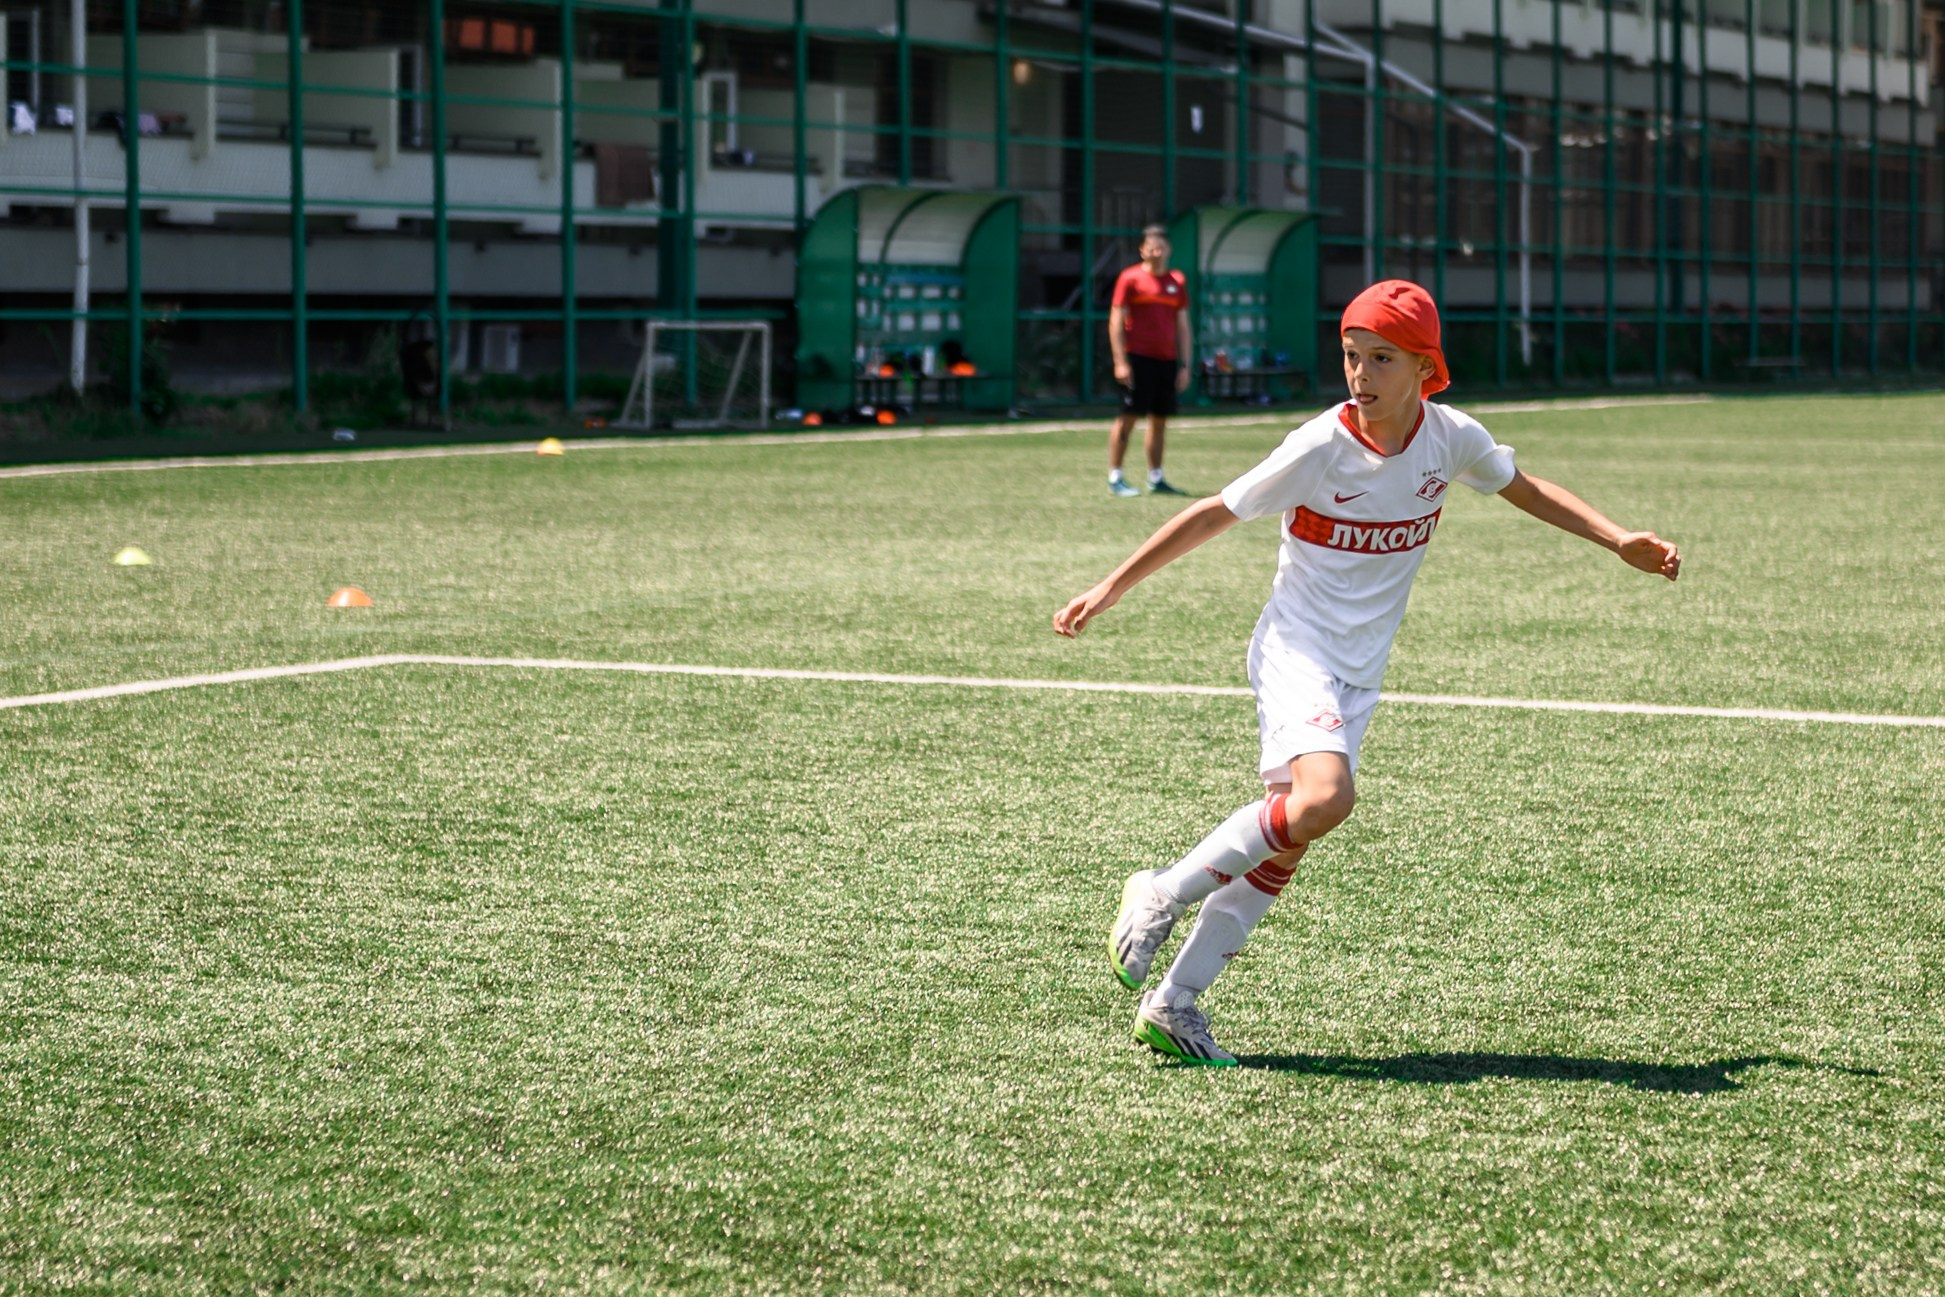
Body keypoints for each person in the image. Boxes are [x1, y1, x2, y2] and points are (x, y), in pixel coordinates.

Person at [1053, 279, 1681, 1066]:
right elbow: (1215, 510)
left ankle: (1175, 1003)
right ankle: (1161, 889)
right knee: (1326, 797)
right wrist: (1112, 585)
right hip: (1296, 650)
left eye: (1382, 358)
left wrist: (1617, 538)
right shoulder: (1320, 444)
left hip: (1358, 671)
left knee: (1293, 833)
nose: (1360, 373)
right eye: (1351, 355)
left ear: (1424, 367)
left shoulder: (1449, 438)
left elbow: (1524, 489)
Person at [1106, 225, 1194, 498]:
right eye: (1152, 248)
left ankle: (1156, 477)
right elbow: (1116, 321)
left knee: (1159, 420)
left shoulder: (1177, 281)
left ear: (1168, 250)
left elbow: (1183, 326)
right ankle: (1115, 476)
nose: (1157, 253)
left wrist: (1185, 365)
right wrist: (1120, 361)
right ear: (1142, 250)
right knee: (1128, 417)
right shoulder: (1130, 278)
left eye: (1161, 248)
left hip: (1166, 361)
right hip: (1137, 359)